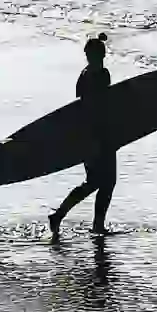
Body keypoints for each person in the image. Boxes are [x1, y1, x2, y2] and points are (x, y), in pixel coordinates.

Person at [48, 33, 115, 240]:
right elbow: (98, 107)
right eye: (97, 54)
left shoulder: (85, 75)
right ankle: (68, 217)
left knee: (99, 182)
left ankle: (65, 217)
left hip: (92, 135)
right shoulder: (100, 75)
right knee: (102, 181)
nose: (100, 57)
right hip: (98, 136)